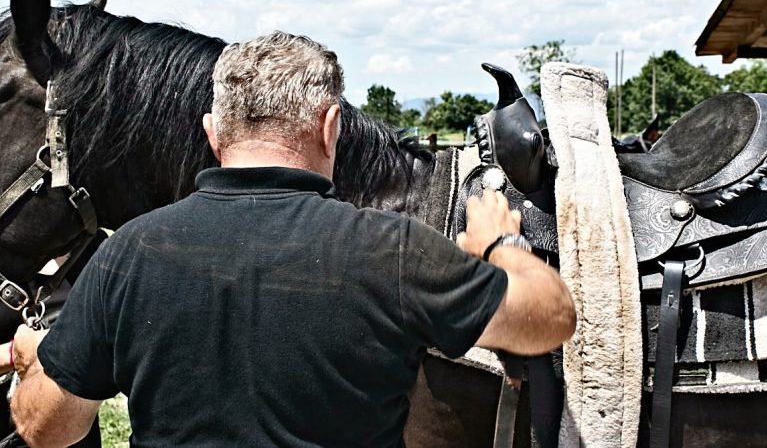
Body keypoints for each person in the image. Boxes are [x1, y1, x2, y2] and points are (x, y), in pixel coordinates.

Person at [10, 32, 575, 447]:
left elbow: (46, 430)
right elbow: (550, 318)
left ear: (211, 133)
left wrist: (43, 361)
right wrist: (500, 244)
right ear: (332, 127)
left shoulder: (126, 256)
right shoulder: (396, 251)